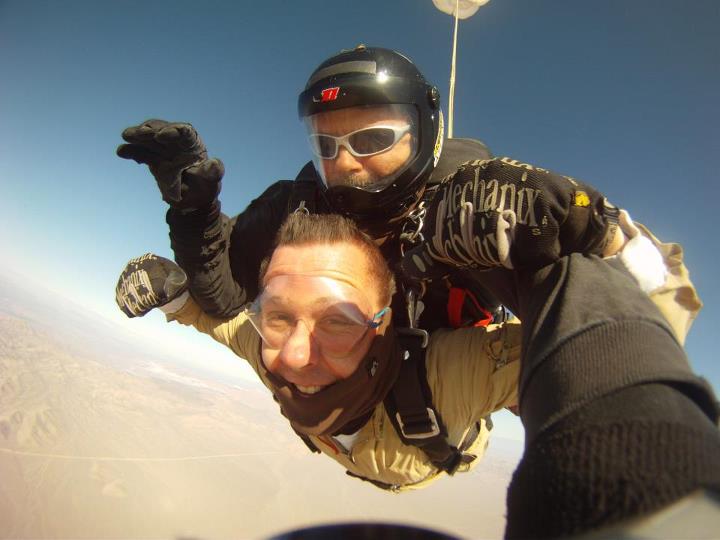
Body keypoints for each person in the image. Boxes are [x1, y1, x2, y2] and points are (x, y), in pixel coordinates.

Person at [115, 209, 707, 504]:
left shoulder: (453, 371)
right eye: (279, 315)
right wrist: (168, 285)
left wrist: (597, 230)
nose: (295, 355)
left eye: (338, 322)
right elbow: (214, 318)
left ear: (382, 326)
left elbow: (616, 339)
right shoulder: (267, 345)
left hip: (437, 448)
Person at [116, 45, 631, 336]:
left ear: (423, 133)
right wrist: (195, 213)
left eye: (372, 138)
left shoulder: (473, 206)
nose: (343, 161)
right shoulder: (299, 202)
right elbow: (227, 296)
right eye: (325, 142)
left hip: (434, 395)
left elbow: (612, 322)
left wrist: (580, 222)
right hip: (324, 389)